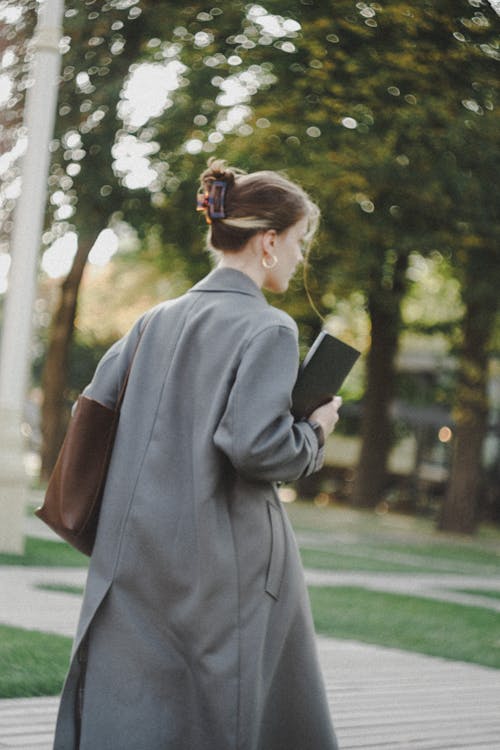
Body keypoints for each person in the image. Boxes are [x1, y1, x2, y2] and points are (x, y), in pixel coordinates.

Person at [53, 160, 342, 750]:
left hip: (135, 556)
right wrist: (315, 432)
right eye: (298, 241)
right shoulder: (269, 329)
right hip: (227, 563)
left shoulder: (152, 321)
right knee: (225, 717)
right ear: (268, 242)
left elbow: (94, 413)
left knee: (133, 709)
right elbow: (258, 449)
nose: (298, 256)